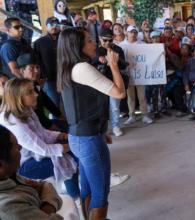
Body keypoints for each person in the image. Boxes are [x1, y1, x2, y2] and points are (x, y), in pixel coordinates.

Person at [57, 28, 126, 219]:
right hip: (87, 139)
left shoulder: (68, 67)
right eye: (89, 41)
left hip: (80, 136)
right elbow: (119, 93)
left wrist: (101, 130)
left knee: (87, 187)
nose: (94, 43)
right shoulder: (82, 68)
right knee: (101, 192)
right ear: (77, 46)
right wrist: (114, 65)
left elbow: (82, 106)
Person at [0, 78, 79, 199]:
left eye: (34, 90)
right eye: (30, 92)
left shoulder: (26, 109)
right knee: (74, 155)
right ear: (18, 98)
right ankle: (75, 196)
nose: (36, 94)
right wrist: (74, 145)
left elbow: (42, 132)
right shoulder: (14, 122)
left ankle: (72, 191)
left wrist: (63, 135)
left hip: (35, 154)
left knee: (71, 146)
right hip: (24, 164)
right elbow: (44, 149)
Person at [0, 125, 77, 219]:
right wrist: (49, 205)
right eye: (16, 146)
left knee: (66, 160)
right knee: (68, 161)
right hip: (28, 164)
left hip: (36, 156)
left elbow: (45, 185)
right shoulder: (8, 208)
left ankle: (74, 195)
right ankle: (75, 195)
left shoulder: (10, 176)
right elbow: (44, 149)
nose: (20, 147)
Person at [93, 28, 128, 136]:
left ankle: (115, 126)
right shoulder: (95, 50)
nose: (108, 43)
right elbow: (89, 64)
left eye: (110, 40)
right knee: (101, 107)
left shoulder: (118, 49)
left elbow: (124, 65)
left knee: (114, 106)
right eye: (105, 40)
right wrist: (98, 59)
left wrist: (115, 61)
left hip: (114, 81)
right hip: (99, 82)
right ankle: (103, 128)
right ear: (99, 38)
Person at [17, 53, 64, 131]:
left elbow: (47, 102)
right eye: (31, 68)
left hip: (43, 124)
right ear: (22, 71)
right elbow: (38, 114)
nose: (36, 71)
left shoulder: (34, 83)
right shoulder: (21, 90)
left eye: (37, 67)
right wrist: (57, 131)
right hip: (35, 129)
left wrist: (60, 116)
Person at [120, 25, 153, 125]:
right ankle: (132, 115)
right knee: (130, 96)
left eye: (135, 32)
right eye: (131, 32)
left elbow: (152, 53)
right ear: (127, 33)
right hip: (128, 74)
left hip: (141, 74)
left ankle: (144, 115)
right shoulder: (121, 45)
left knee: (142, 96)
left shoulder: (142, 44)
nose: (133, 34)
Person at [34, 17, 61, 107]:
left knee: (69, 103)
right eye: (50, 25)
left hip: (66, 77)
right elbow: (37, 61)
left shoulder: (65, 40)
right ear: (46, 26)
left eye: (56, 24)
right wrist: (42, 76)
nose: (53, 27)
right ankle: (55, 120)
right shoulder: (39, 42)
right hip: (50, 80)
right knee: (54, 104)